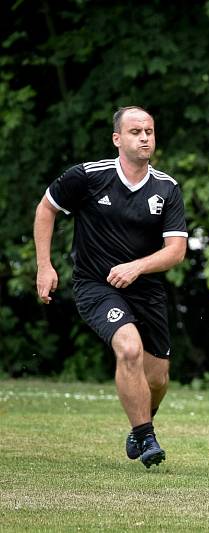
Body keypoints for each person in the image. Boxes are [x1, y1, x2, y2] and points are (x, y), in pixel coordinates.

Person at [34, 106, 188, 468]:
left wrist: (137, 267)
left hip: (147, 290)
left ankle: (140, 422)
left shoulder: (166, 188)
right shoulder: (88, 177)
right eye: (136, 132)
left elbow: (176, 251)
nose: (145, 137)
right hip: (96, 285)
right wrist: (44, 265)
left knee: (158, 379)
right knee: (129, 349)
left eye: (149, 131)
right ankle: (147, 438)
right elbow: (46, 208)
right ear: (118, 139)